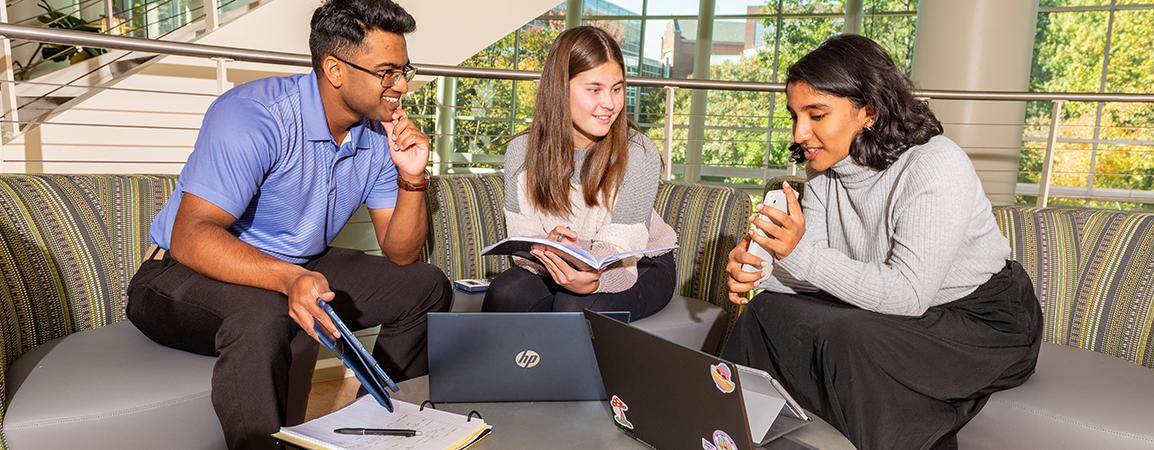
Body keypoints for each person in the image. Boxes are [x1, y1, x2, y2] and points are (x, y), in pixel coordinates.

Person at [124, 1, 452, 448]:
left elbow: (400, 252)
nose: (401, 86)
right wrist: (289, 278)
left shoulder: (379, 134)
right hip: (179, 273)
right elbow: (190, 235)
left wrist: (412, 177)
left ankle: (377, 428)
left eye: (404, 70)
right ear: (335, 69)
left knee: (424, 285)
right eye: (387, 72)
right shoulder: (255, 116)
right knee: (262, 314)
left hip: (293, 264)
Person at [721, 34, 1043, 450]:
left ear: (868, 111)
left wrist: (797, 254)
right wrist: (760, 273)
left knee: (850, 338)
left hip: (984, 321)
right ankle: (727, 435)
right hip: (899, 313)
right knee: (766, 311)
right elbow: (816, 274)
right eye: (795, 115)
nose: (800, 132)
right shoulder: (826, 173)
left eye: (816, 114)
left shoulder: (935, 164)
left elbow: (908, 294)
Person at [481, 26, 678, 321]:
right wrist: (547, 252)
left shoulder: (639, 152)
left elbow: (622, 251)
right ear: (561, 88)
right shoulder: (522, 151)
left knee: (573, 307)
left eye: (617, 88)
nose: (610, 104)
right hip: (561, 262)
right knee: (504, 294)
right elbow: (522, 241)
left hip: (638, 263)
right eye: (594, 89)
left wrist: (593, 277)